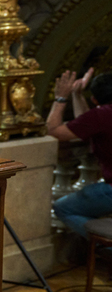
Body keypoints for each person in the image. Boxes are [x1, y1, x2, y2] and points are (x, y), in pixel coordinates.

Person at [47, 67, 112, 237]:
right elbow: (87, 123)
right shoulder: (99, 116)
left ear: (95, 99)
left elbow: (54, 130)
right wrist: (77, 94)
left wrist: (61, 98)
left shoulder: (102, 114)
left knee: (63, 208)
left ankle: (105, 248)